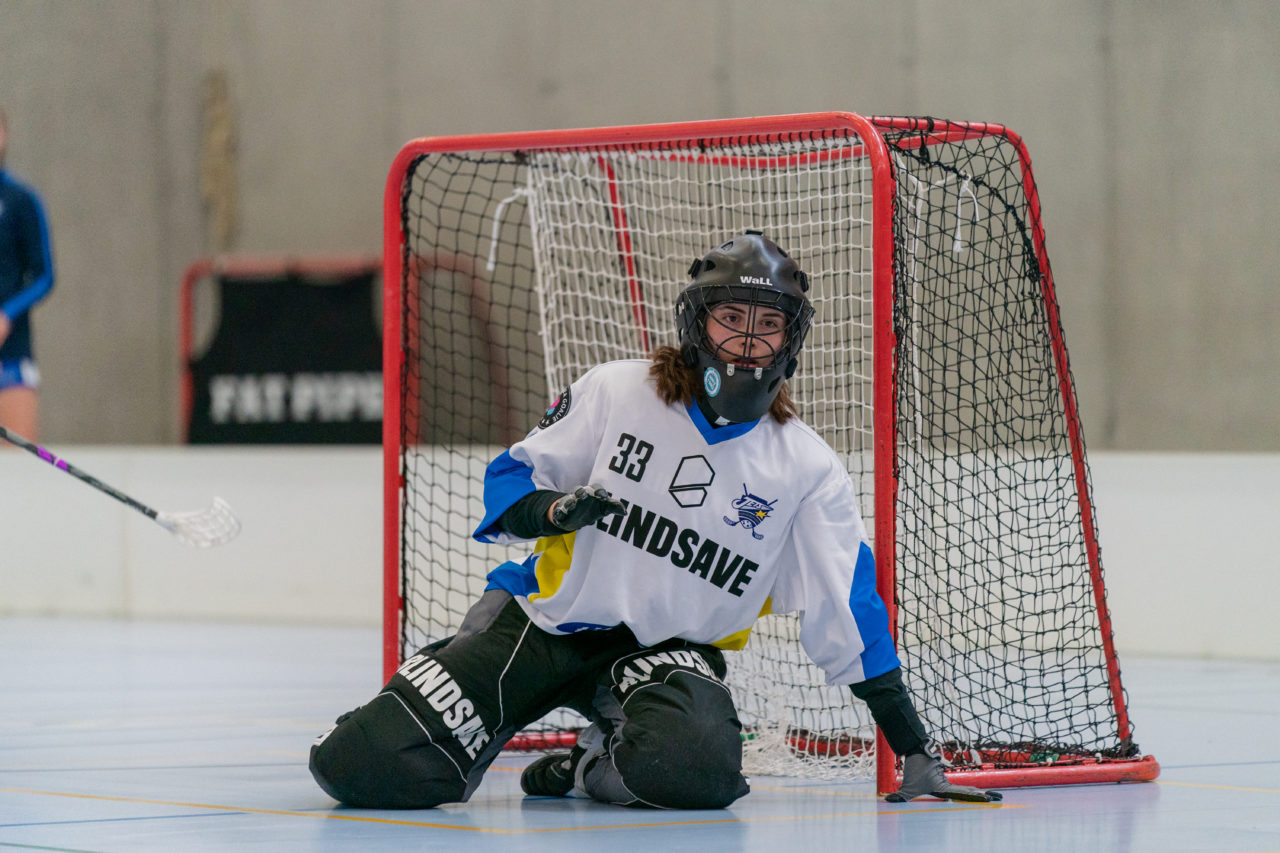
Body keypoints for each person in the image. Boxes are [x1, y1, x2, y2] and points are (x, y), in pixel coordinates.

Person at [309, 231, 1002, 809]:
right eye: (731, 318)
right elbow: (511, 479)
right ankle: (458, 718)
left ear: (790, 341)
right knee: (359, 765)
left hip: (666, 651)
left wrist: (914, 751)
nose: (747, 341)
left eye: (768, 325)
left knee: (694, 771)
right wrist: (556, 510)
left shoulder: (806, 467)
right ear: (697, 323)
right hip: (544, 622)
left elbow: (852, 608)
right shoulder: (618, 391)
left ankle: (584, 765)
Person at [0, 103, 55, 441]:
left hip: (11, 356)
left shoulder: (21, 201)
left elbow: (45, 275)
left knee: (15, 462)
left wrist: (6, 314)